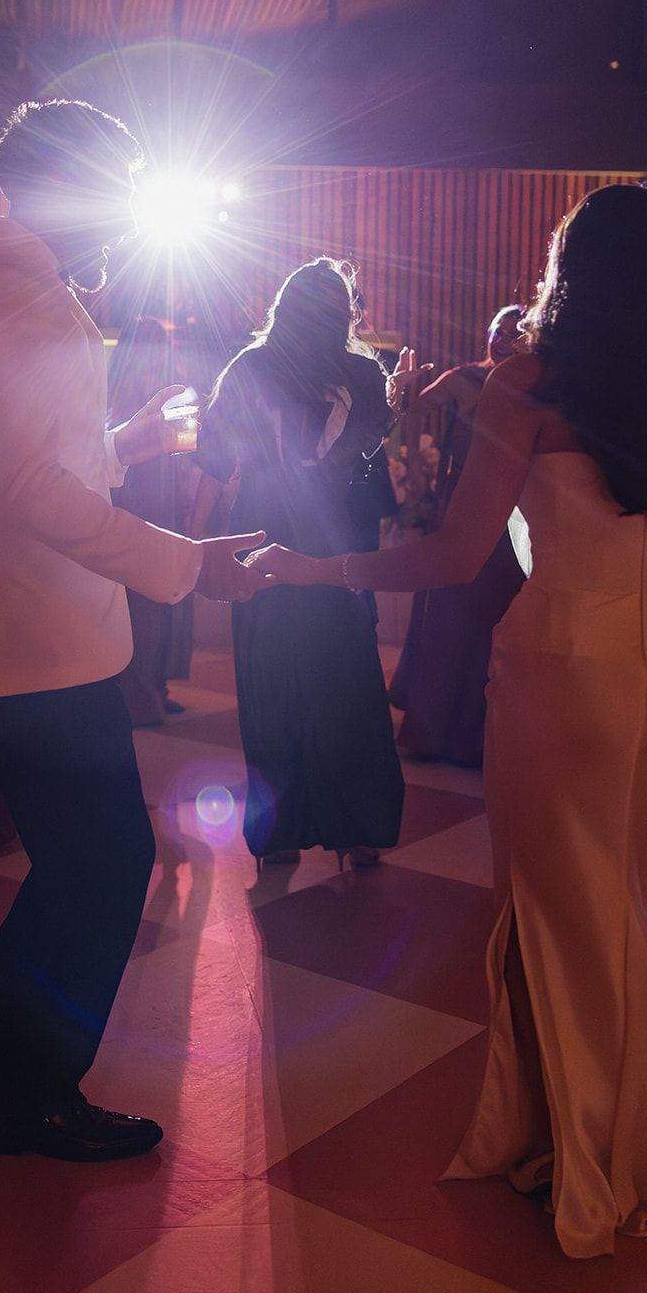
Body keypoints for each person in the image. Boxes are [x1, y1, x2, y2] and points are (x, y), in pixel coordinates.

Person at [249, 185, 647, 1259]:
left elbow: (454, 557)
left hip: (564, 664)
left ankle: (609, 1164)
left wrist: (317, 567)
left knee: (563, 913)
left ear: (569, 270)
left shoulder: (529, 380)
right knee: (607, 901)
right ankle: (578, 1136)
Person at [0, 98, 268, 1164]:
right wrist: (183, 565)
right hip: (28, 637)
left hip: (22, 632)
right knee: (104, 863)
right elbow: (27, 487)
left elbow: (31, 457)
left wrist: (127, 436)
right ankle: (26, 1094)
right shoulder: (17, 295)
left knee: (86, 859)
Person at [192, 258, 405, 872]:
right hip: (335, 537)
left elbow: (211, 458)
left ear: (282, 307)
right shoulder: (365, 373)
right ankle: (360, 829)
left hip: (263, 535)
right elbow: (370, 448)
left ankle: (279, 835)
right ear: (345, 315)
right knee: (349, 679)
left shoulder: (248, 368)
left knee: (269, 679)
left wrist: (198, 534)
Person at [388, 306, 526, 766]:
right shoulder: (463, 379)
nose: (506, 340)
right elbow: (413, 408)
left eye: (516, 333)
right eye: (499, 332)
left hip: (514, 516)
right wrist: (402, 392)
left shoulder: (531, 385)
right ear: (487, 334)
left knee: (496, 621)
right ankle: (431, 733)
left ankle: (475, 737)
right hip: (461, 503)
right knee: (447, 614)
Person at [107, 316, 195, 727]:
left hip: (148, 500)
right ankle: (141, 697)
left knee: (154, 604)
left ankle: (150, 689)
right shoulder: (139, 390)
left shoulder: (129, 385)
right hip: (143, 501)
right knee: (146, 605)